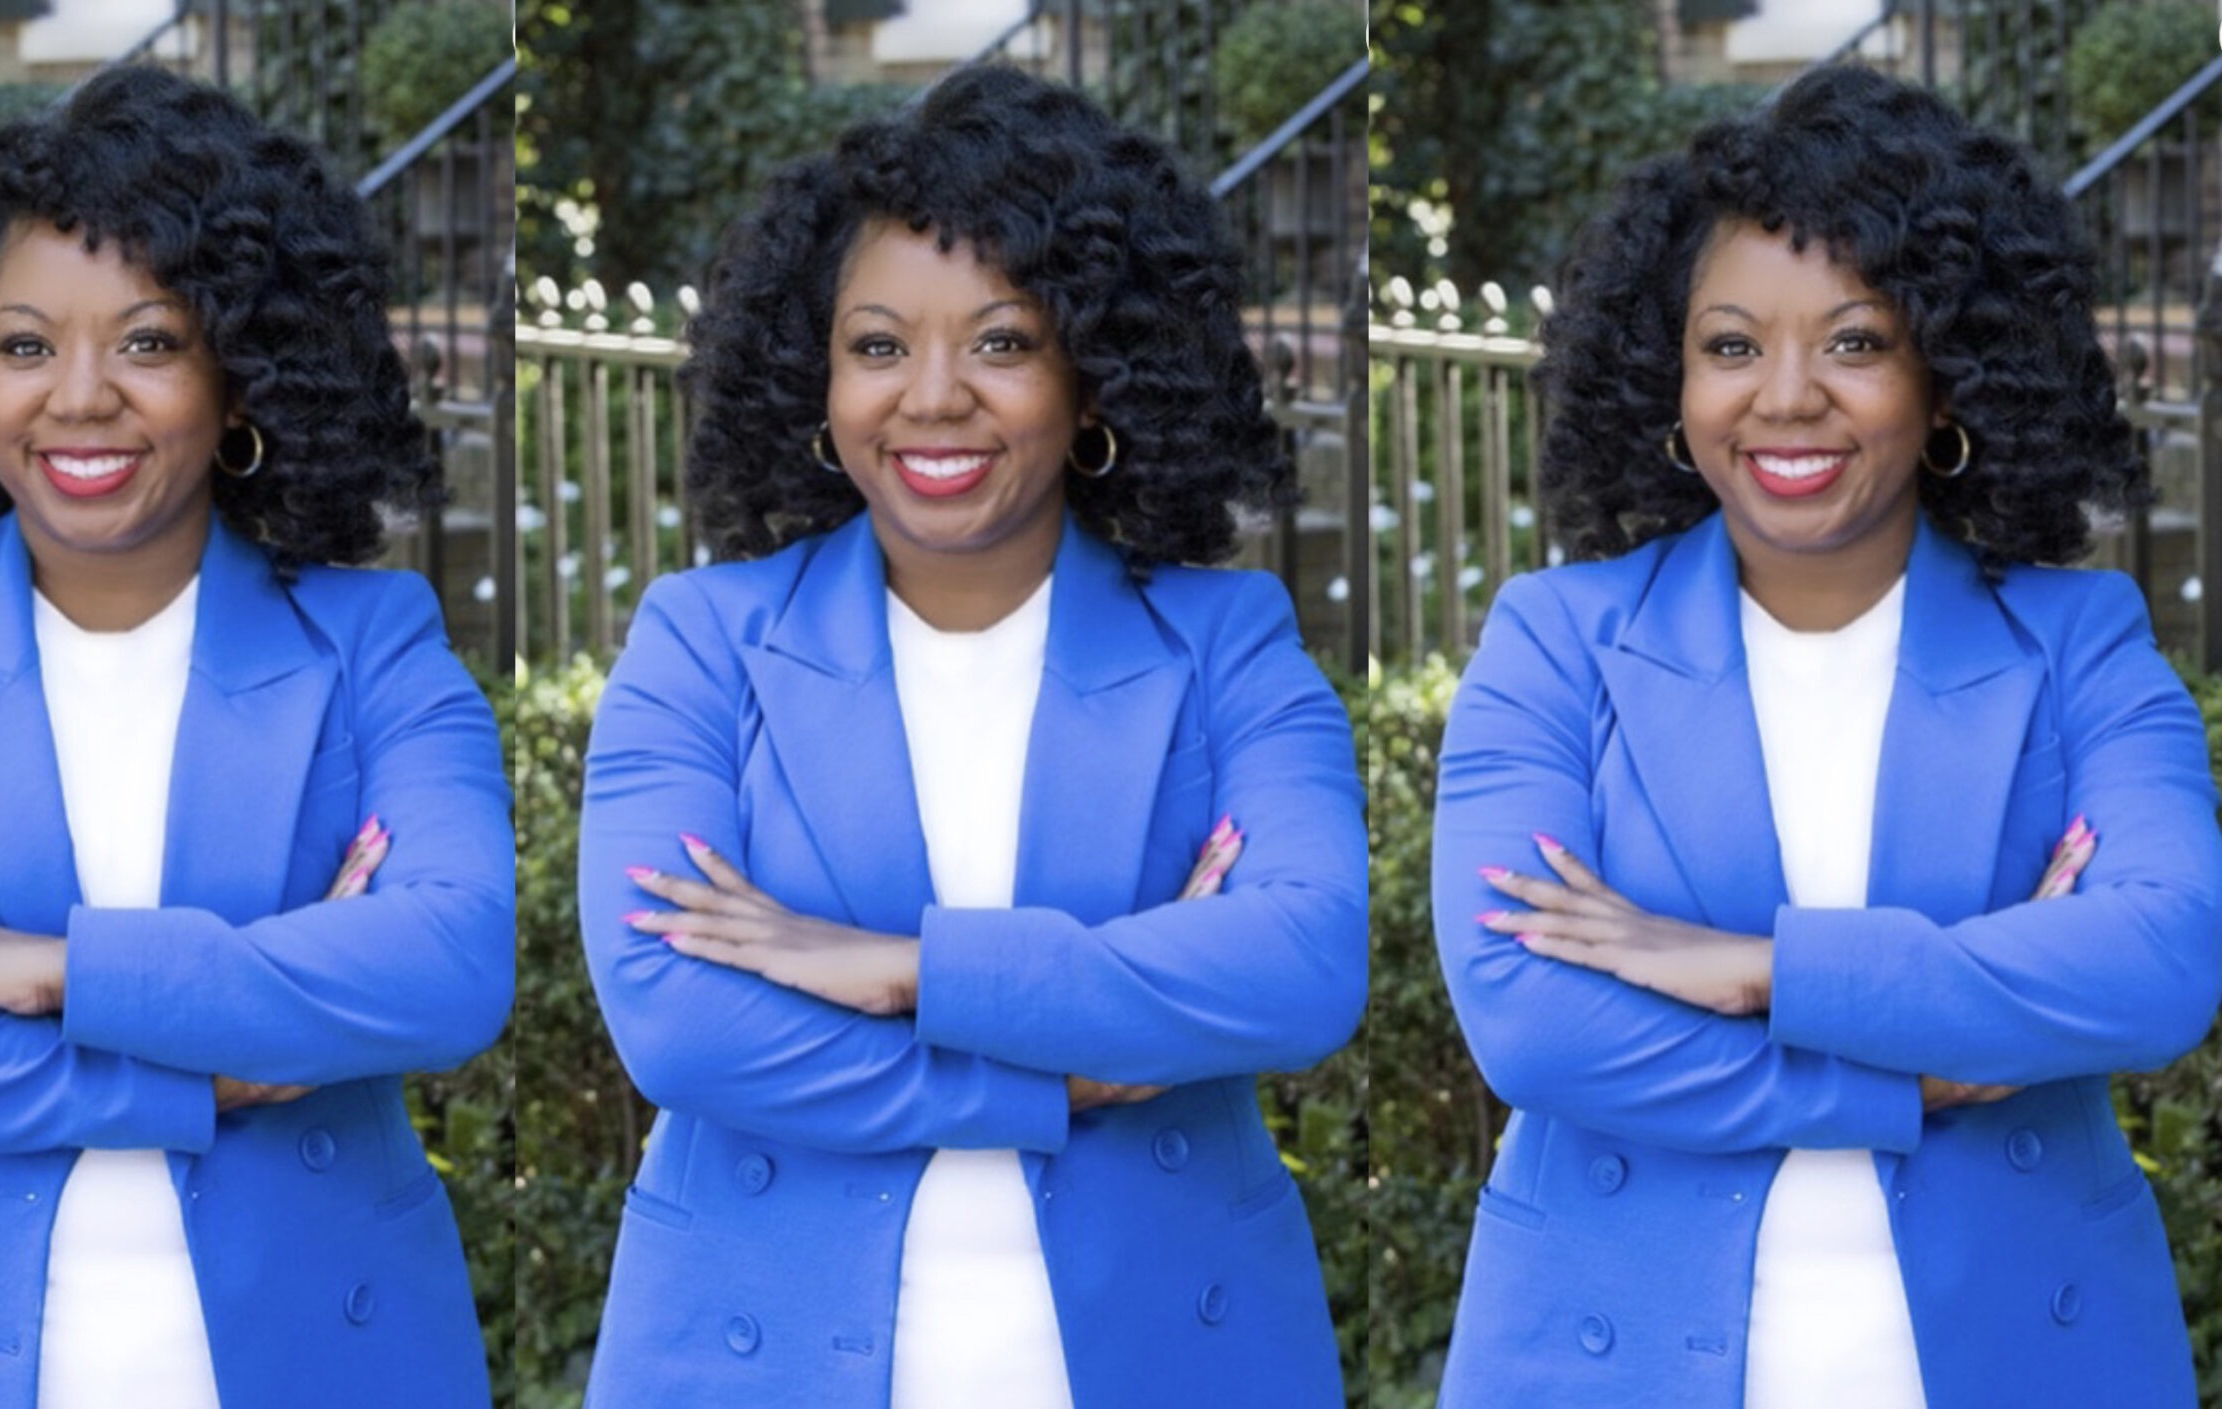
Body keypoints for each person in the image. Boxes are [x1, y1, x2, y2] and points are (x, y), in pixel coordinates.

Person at [573, 63, 1368, 1408]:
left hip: (1173, 1345)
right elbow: (681, 1023)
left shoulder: (1226, 639)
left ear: (1095, 376)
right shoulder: (703, 638)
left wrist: (893, 966)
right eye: (878, 345)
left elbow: (1301, 961)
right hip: (754, 1352)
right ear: (816, 379)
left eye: (1001, 342)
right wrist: (1065, 1065)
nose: (932, 395)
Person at [1429, 63, 2222, 1408]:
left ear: (1947, 374)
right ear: (1670, 380)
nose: (1785, 395)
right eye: (1731, 345)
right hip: (1607, 1353)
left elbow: (2162, 955)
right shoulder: (1557, 637)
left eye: (1854, 342)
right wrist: (1915, 1069)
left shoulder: (2079, 638)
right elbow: (1535, 1022)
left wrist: (1753, 967)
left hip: (2027, 1347)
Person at [0, 65, 514, 1408]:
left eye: (147, 341)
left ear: (240, 371)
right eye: (25, 345)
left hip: (321, 1347)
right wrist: (206, 1071)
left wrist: (40, 965)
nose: (78, 395)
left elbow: (447, 961)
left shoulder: (373, 639)